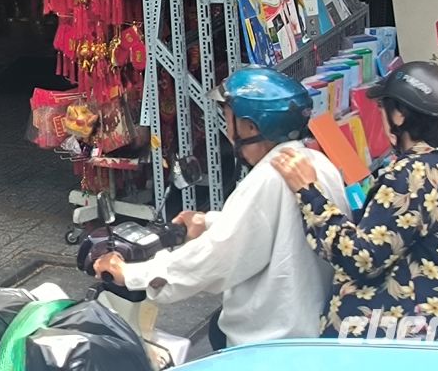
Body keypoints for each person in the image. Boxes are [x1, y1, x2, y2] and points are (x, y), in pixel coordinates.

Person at [93, 67, 349, 349]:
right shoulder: (316, 163)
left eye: (229, 117)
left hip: (271, 339)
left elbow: (213, 259)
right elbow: (270, 227)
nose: (227, 129)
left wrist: (131, 274)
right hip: (311, 324)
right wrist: (208, 222)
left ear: (251, 127)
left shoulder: (268, 178)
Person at [270, 61, 438, 339]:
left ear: (399, 115)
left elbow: (361, 259)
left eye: (382, 108)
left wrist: (308, 192)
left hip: (420, 342)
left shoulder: (411, 175)